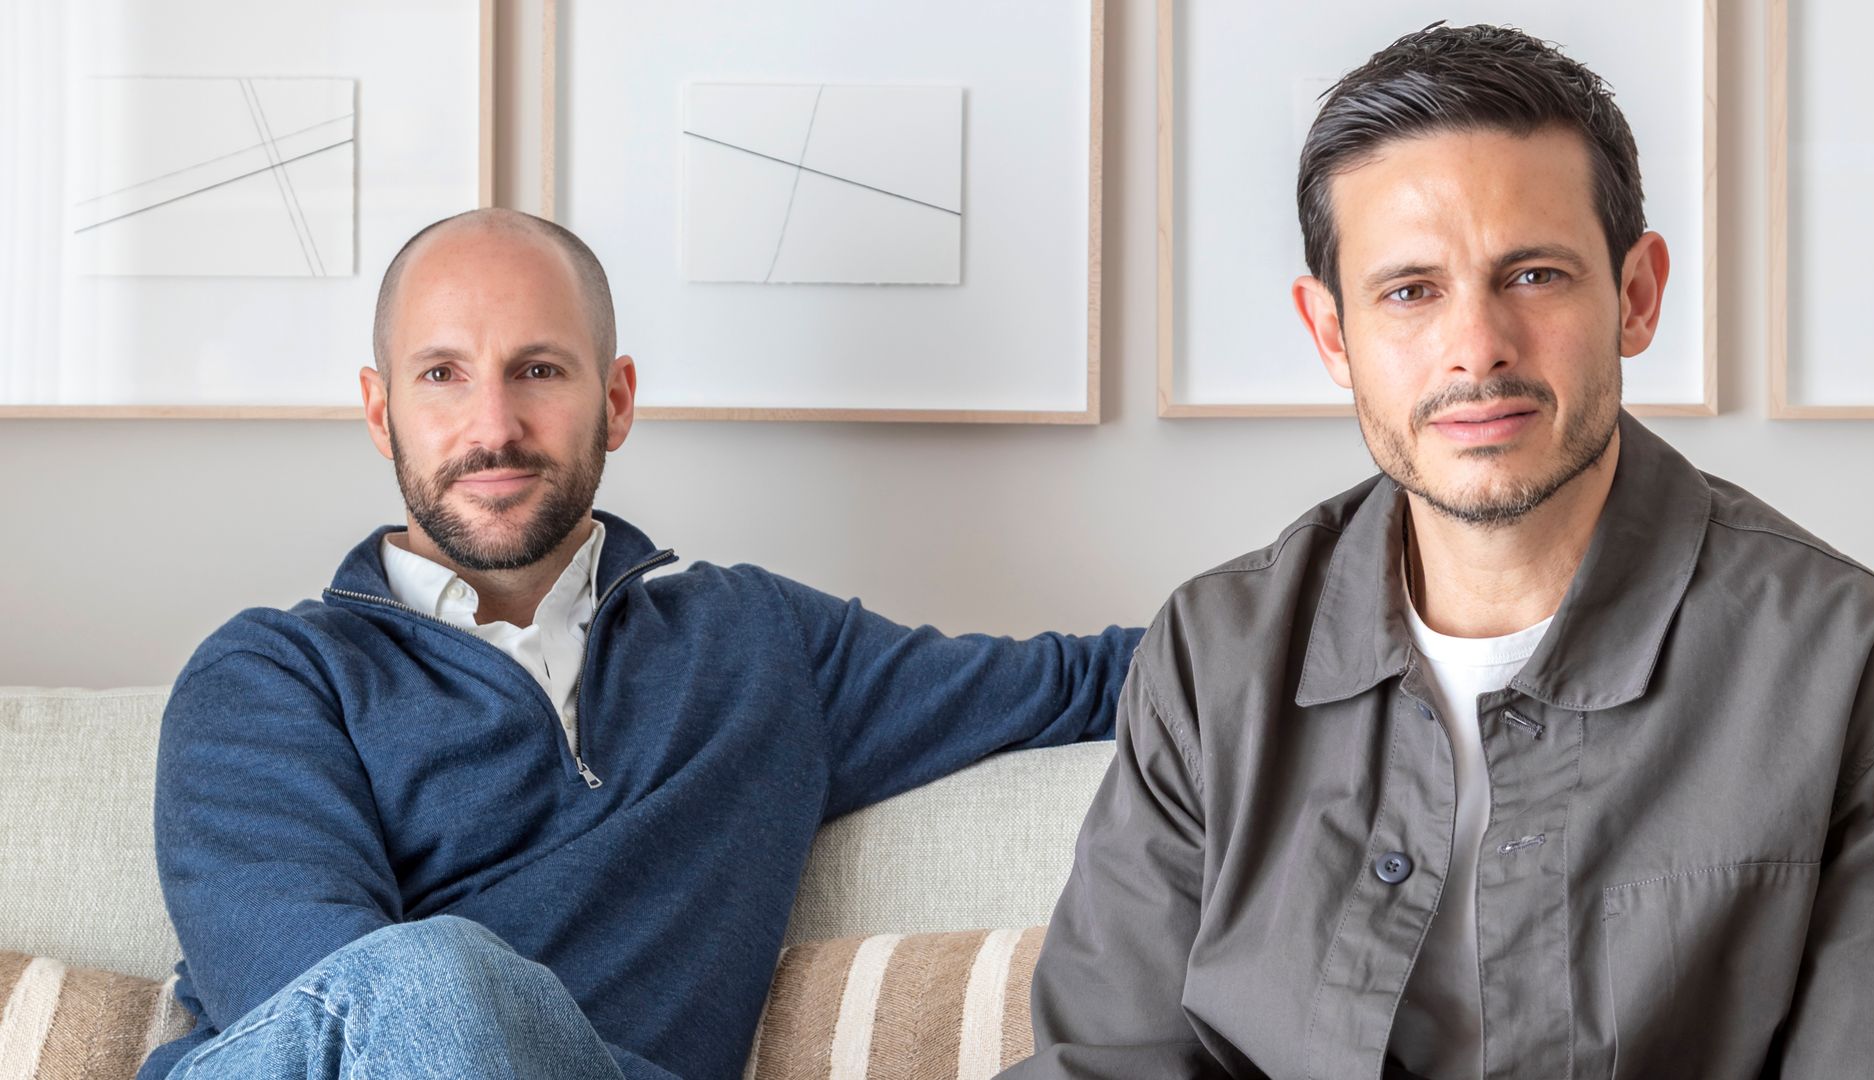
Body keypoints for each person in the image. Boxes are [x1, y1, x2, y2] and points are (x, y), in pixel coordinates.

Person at [1007, 24, 1874, 1080]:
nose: (1477, 345)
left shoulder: (1863, 673)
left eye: (1532, 275)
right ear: (1332, 334)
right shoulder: (1209, 660)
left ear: (1635, 295)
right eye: (1410, 291)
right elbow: (1106, 1059)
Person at [138, 208, 1142, 1080]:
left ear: (615, 401)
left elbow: (1097, 680)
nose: (494, 424)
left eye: (538, 369)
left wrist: (1302, 592)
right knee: (427, 980)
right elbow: (327, 1005)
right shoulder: (271, 679)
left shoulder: (763, 646)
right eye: (442, 374)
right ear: (380, 410)